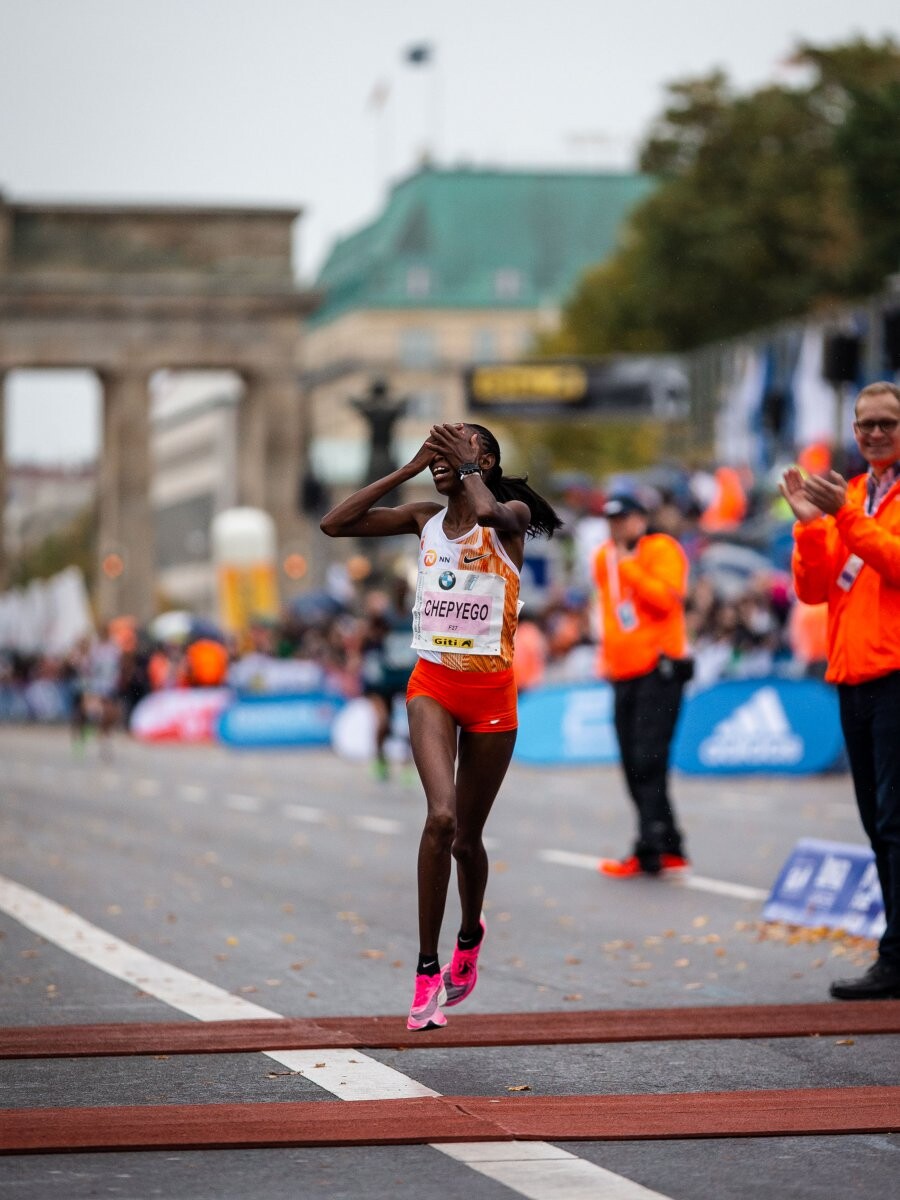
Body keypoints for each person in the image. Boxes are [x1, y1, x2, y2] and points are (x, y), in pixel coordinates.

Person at [321, 422, 562, 1030]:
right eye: (439, 452)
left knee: (466, 841)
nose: (443, 459)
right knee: (441, 818)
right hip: (432, 684)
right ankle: (426, 968)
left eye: (459, 449)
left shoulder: (507, 516)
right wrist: (406, 469)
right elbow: (335, 525)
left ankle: (470, 933)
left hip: (491, 695)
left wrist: (470, 468)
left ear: (487, 461)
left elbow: (488, 513)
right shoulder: (423, 519)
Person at [780, 381, 900, 1001]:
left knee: (895, 822)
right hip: (854, 677)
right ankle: (896, 953)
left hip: (895, 674)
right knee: (879, 825)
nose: (875, 433)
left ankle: (896, 957)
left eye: (887, 423)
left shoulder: (855, 503)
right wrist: (809, 526)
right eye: (865, 424)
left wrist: (847, 518)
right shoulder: (849, 493)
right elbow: (814, 589)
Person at [592, 493, 692, 878]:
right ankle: (667, 845)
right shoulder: (603, 558)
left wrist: (630, 568)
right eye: (612, 520)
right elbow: (609, 611)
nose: (617, 526)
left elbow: (667, 600)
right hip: (623, 672)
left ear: (641, 519)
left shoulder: (661, 549)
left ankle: (653, 846)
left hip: (659, 669)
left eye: (624, 518)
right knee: (632, 761)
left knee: (648, 760)